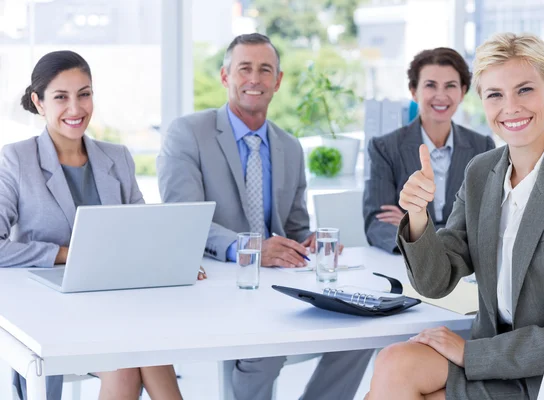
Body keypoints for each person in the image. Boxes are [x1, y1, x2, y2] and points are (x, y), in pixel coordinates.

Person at [366, 32, 544, 400]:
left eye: (524, 90)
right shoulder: (481, 172)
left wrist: (470, 353)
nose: (511, 107)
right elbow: (436, 282)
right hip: (490, 353)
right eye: (495, 95)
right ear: (482, 102)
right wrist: (417, 217)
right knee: (393, 363)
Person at [157, 33, 372, 400]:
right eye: (245, 69)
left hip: (278, 286)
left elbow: (295, 228)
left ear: (278, 80)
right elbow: (185, 222)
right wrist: (252, 247)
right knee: (266, 355)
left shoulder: (289, 146)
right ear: (226, 77)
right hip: (221, 286)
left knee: (361, 332)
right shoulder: (188, 133)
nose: (254, 79)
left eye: (265, 70)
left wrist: (310, 240)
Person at [0, 50, 183, 400]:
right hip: (51, 311)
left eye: (84, 94)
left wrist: (173, 256)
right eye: (61, 97)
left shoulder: (117, 158)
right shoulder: (17, 159)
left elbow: (144, 230)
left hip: (117, 305)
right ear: (38, 103)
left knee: (147, 351)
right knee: (132, 360)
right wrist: (67, 254)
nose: (76, 108)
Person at [363, 47, 495, 254]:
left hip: (464, 266)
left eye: (450, 86)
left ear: (462, 92)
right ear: (414, 91)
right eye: (430, 85)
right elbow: (377, 225)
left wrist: (417, 228)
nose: (440, 95)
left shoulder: (482, 147)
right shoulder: (385, 148)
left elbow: (485, 222)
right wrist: (430, 245)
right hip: (408, 266)